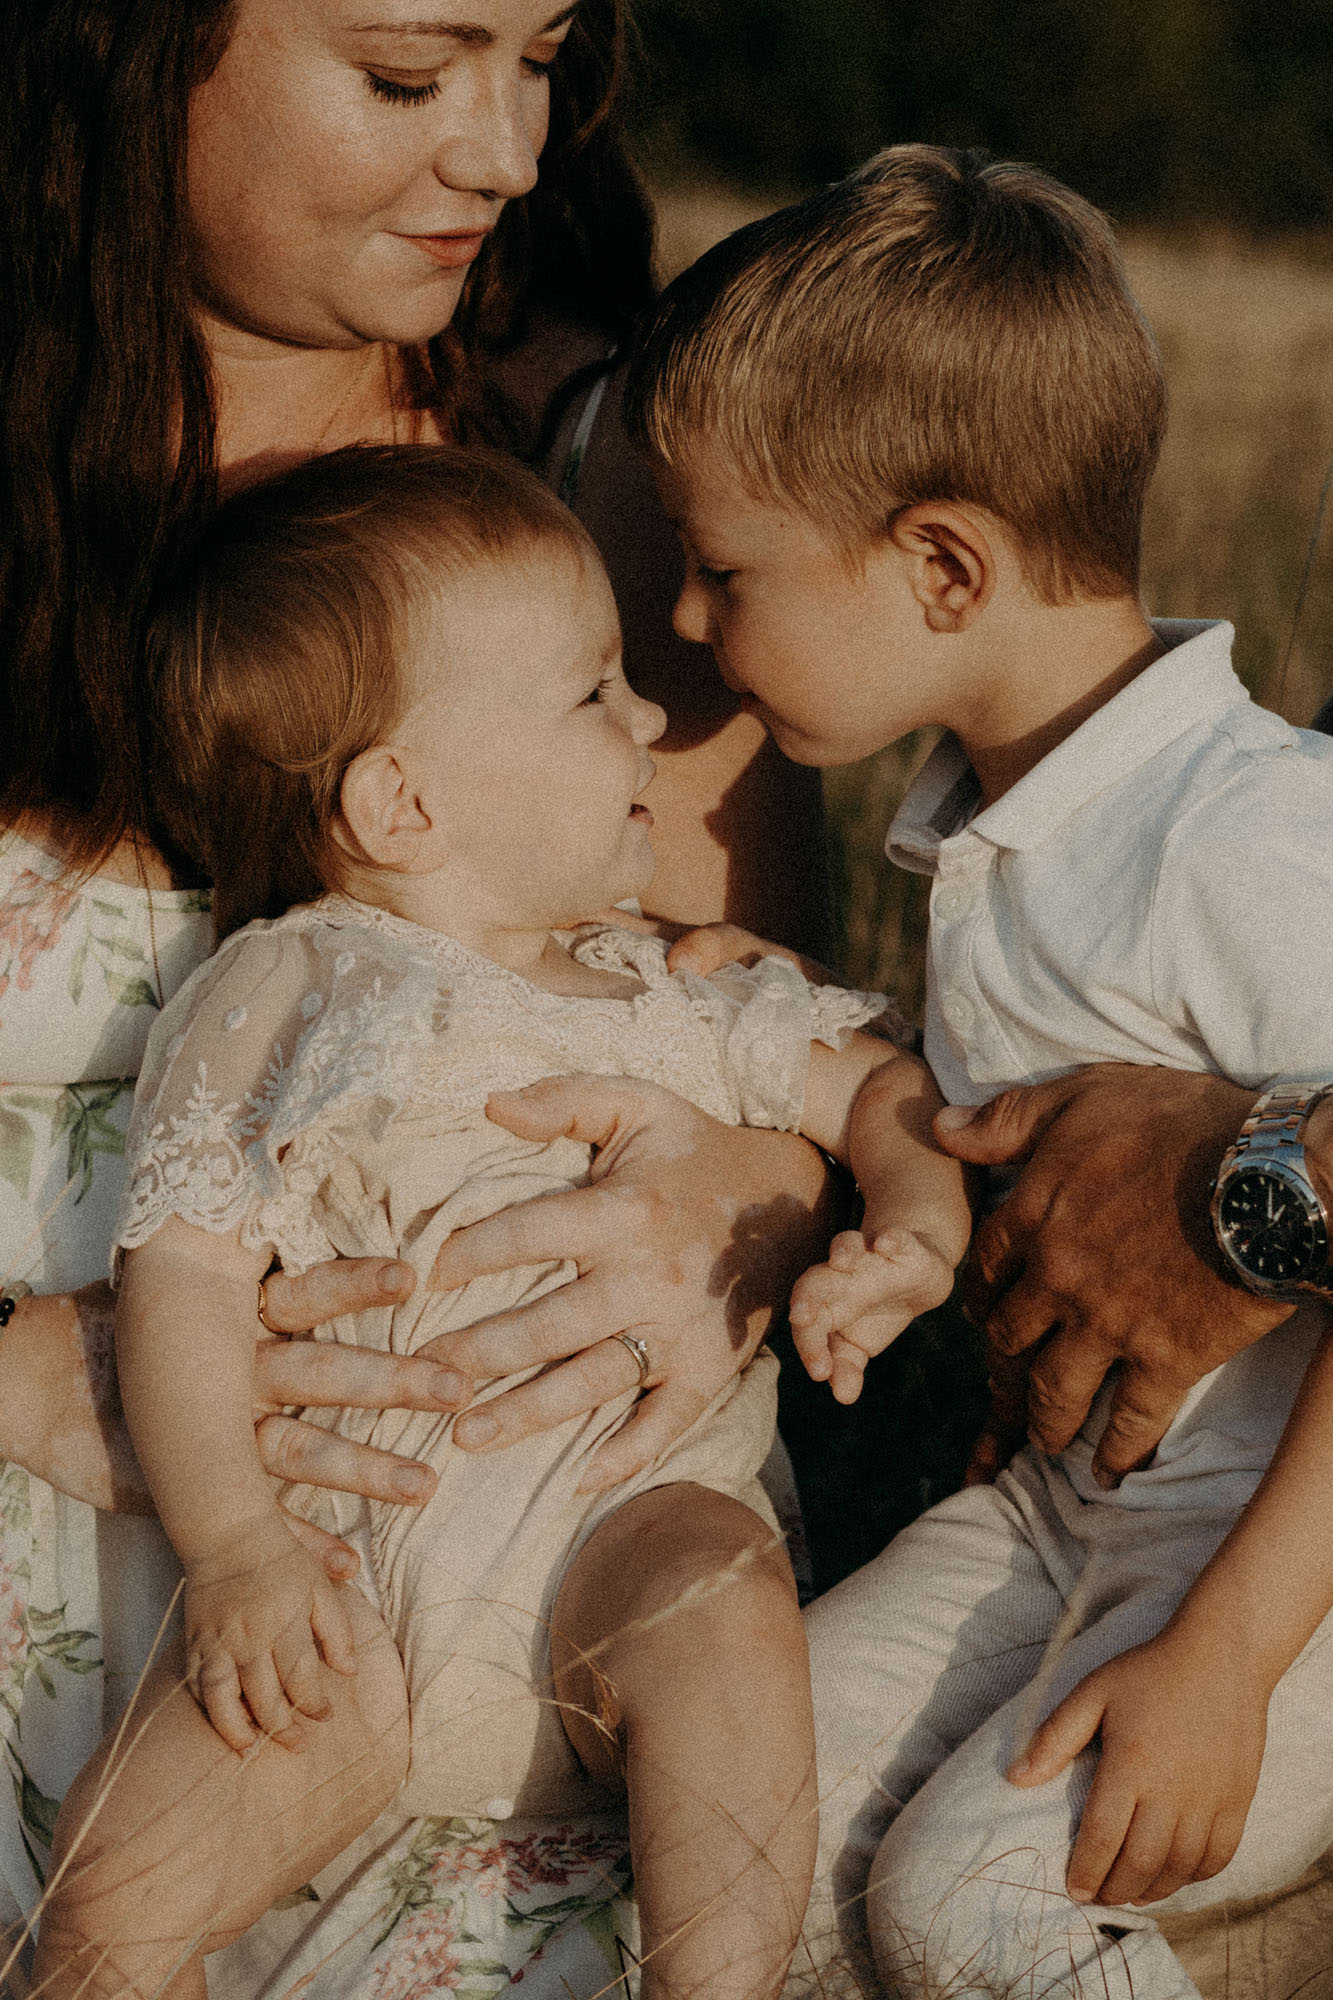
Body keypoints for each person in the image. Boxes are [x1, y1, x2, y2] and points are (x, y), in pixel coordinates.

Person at [0, 0, 837, 1988]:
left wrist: (748, 1199)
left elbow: (744, 1016)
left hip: (501, 1588)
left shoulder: (605, 473)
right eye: (407, 74)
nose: (506, 153)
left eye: (539, 57)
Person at [33, 442, 973, 2000]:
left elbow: (881, 1092)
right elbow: (184, 1274)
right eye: (592, 691)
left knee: (721, 1601)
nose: (649, 720)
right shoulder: (288, 983)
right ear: (401, 802)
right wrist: (239, 1548)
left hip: (620, 1537)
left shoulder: (674, 985)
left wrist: (916, 1225)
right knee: (109, 1897)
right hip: (342, 1588)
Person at [627, 142, 1333, 1999]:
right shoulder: (1004, 826)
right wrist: (809, 1022)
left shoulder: (1250, 838)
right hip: (1056, 1513)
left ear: (942, 566)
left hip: (1288, 1571)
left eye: (720, 569)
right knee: (731, 1827)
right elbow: (1008, 1116)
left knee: (964, 1905)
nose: (686, 624)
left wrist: (1230, 1658)